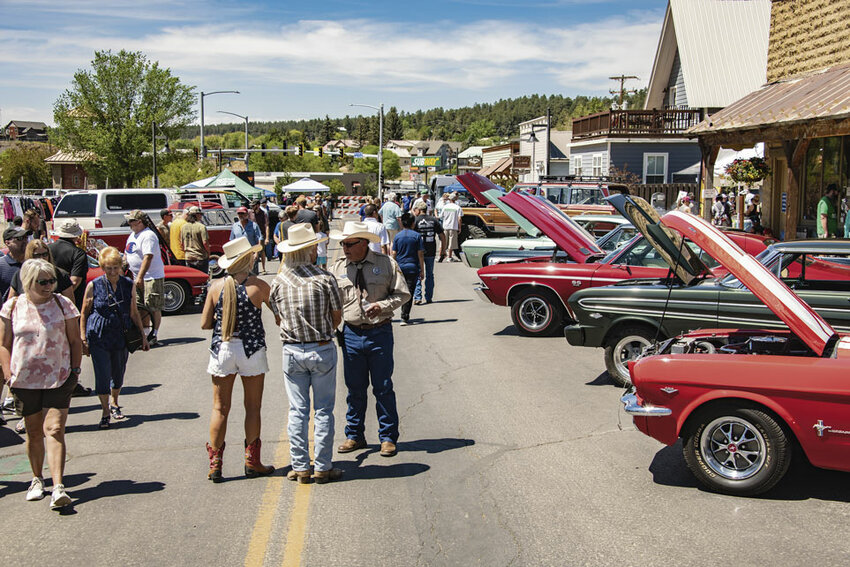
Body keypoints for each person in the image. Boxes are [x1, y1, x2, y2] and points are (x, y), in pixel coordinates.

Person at [0, 259, 82, 509]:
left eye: (52, 281)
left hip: (59, 377)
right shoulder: (12, 306)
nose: (49, 286)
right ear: (28, 282)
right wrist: (7, 373)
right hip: (24, 380)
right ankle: (37, 479)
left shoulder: (62, 303)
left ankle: (59, 486)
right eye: (43, 282)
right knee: (34, 432)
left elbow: (75, 340)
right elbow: (4, 344)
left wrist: (75, 371)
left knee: (55, 429)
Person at [329, 221, 410, 458]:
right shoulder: (337, 268)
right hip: (351, 334)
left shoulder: (386, 264)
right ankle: (354, 434)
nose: (344, 248)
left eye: (349, 243)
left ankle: (387, 437)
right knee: (354, 389)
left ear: (364, 243)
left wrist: (382, 305)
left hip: (379, 332)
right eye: (343, 243)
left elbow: (402, 293)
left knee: (383, 386)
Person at [270, 224, 343, 483]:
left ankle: (300, 466)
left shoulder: (279, 281)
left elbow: (278, 318)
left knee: (297, 410)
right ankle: (322, 465)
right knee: (323, 410)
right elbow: (337, 316)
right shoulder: (324, 279)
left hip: (292, 349)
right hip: (321, 347)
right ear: (309, 250)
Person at [201, 237, 274, 482]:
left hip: (223, 349)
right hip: (251, 350)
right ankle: (252, 461)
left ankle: (215, 464)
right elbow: (279, 315)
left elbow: (204, 323)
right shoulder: (259, 286)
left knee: (220, 408)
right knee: (252, 407)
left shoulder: (215, 287)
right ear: (247, 259)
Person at [80, 247, 149, 429]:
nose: (112, 271)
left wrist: (143, 335)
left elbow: (134, 312)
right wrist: (83, 338)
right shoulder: (94, 285)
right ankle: (104, 411)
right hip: (99, 335)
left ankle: (115, 402)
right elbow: (84, 313)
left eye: (115, 267)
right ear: (103, 267)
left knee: (118, 373)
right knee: (102, 374)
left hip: (121, 334)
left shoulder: (128, 284)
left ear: (121, 267)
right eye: (108, 268)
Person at [124, 210, 165, 346]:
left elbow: (148, 257)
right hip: (136, 277)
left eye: (131, 221)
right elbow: (127, 254)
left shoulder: (148, 235)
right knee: (140, 306)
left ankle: (154, 333)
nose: (129, 223)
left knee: (153, 305)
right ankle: (144, 333)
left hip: (151, 276)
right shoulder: (132, 235)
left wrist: (140, 277)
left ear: (139, 222)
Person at [392, 213, 425, 325]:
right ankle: (404, 316)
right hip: (412, 268)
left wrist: (393, 268)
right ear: (413, 223)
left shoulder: (397, 236)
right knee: (409, 291)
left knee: (401, 291)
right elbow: (420, 254)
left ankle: (401, 313)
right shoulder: (416, 236)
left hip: (400, 268)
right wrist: (422, 270)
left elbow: (394, 253)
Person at [48, 219, 88, 310]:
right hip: (71, 303)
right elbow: (74, 281)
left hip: (48, 299)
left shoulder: (47, 249)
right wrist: (62, 299)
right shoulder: (78, 253)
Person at [412, 201, 446, 305]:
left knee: (418, 273)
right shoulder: (433, 220)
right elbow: (442, 236)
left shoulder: (415, 221)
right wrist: (443, 250)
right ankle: (429, 296)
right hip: (431, 251)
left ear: (418, 210)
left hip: (418, 251)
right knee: (429, 274)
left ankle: (417, 296)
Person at [0, 227, 28, 301]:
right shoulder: (1, 265)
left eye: (26, 238)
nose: (25, 241)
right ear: (8, 243)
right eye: (20, 238)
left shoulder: (32, 264)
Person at [230, 206, 262, 272]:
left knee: (252, 276)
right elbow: (231, 240)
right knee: (241, 276)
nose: (241, 215)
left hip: (251, 254)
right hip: (239, 256)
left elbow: (259, 239)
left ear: (247, 214)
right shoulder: (235, 226)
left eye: (242, 213)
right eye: (239, 214)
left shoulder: (254, 225)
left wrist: (256, 253)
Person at [181, 206, 210, 274]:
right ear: (196, 215)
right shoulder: (201, 227)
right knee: (202, 278)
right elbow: (205, 242)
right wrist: (208, 252)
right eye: (200, 214)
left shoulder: (183, 227)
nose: (201, 216)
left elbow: (182, 243)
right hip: (200, 257)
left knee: (192, 278)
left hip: (189, 257)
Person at [439, 192, 462, 262]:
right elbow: (459, 218)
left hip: (445, 226)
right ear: (455, 199)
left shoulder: (445, 207)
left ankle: (440, 256)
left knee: (443, 242)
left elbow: (441, 216)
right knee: (451, 243)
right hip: (453, 226)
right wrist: (459, 227)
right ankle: (449, 257)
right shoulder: (458, 207)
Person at [251, 200, 268, 274]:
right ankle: (251, 268)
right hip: (252, 235)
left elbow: (267, 225)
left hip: (261, 234)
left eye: (253, 205)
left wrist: (267, 237)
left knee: (262, 251)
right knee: (252, 251)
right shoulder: (250, 213)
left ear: (258, 205)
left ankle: (263, 268)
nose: (252, 207)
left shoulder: (263, 213)